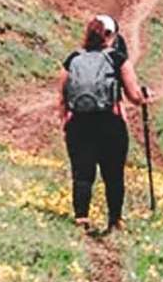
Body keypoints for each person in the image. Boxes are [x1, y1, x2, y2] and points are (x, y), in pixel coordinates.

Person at [58, 16, 146, 235]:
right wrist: (145, 96)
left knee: (82, 174)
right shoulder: (118, 59)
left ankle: (81, 219)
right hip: (110, 123)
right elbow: (134, 96)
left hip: (78, 124)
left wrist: (65, 123)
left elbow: (62, 96)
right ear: (109, 35)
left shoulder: (72, 59)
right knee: (113, 174)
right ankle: (114, 221)